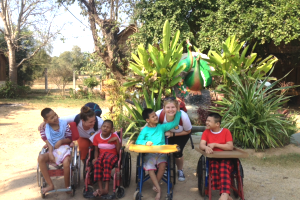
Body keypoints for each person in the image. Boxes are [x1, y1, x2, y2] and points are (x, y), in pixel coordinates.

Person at [136, 107, 181, 200]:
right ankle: (159, 189)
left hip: (161, 153)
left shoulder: (161, 127)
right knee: (150, 169)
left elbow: (175, 123)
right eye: (153, 117)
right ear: (147, 120)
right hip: (150, 154)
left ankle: (155, 184)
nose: (156, 117)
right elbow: (138, 141)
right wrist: (145, 142)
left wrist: (178, 111)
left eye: (155, 115)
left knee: (163, 166)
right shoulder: (145, 130)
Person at [38, 105, 103, 161]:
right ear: (83, 121)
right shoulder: (76, 118)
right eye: (90, 122)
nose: (93, 123)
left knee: (97, 150)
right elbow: (58, 120)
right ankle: (86, 167)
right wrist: (45, 122)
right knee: (83, 149)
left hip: (95, 138)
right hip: (82, 137)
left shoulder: (100, 122)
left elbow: (108, 129)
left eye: (94, 121)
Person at [155, 97, 192, 181]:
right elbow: (148, 125)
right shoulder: (158, 114)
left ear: (177, 108)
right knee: (162, 151)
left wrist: (173, 134)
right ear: (163, 108)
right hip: (165, 135)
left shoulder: (183, 116)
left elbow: (188, 131)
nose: (170, 110)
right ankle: (163, 169)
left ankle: (180, 170)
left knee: (177, 152)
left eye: (173, 107)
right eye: (168, 107)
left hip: (181, 134)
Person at [199, 113, 234, 200]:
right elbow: (201, 145)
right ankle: (226, 195)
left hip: (226, 159)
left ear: (217, 124)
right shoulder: (206, 132)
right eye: (206, 120)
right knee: (214, 166)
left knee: (223, 166)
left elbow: (230, 147)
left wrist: (215, 145)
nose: (206, 122)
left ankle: (224, 194)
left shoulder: (226, 131)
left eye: (209, 121)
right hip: (213, 158)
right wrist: (206, 147)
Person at [38, 108, 72, 194]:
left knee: (66, 162)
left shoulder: (64, 124)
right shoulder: (44, 128)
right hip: (52, 149)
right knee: (41, 158)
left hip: (64, 147)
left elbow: (69, 139)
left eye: (55, 115)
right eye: (52, 118)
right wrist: (50, 152)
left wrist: (61, 141)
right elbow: (48, 142)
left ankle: (67, 186)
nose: (55, 118)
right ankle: (50, 185)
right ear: (46, 120)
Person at [91, 120, 121, 197]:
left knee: (106, 161)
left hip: (112, 155)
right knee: (97, 163)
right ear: (101, 127)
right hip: (102, 155)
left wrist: (117, 140)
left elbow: (118, 152)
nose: (105, 128)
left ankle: (106, 189)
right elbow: (96, 150)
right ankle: (101, 189)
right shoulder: (97, 137)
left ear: (111, 130)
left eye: (108, 127)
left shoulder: (114, 136)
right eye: (104, 126)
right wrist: (95, 158)